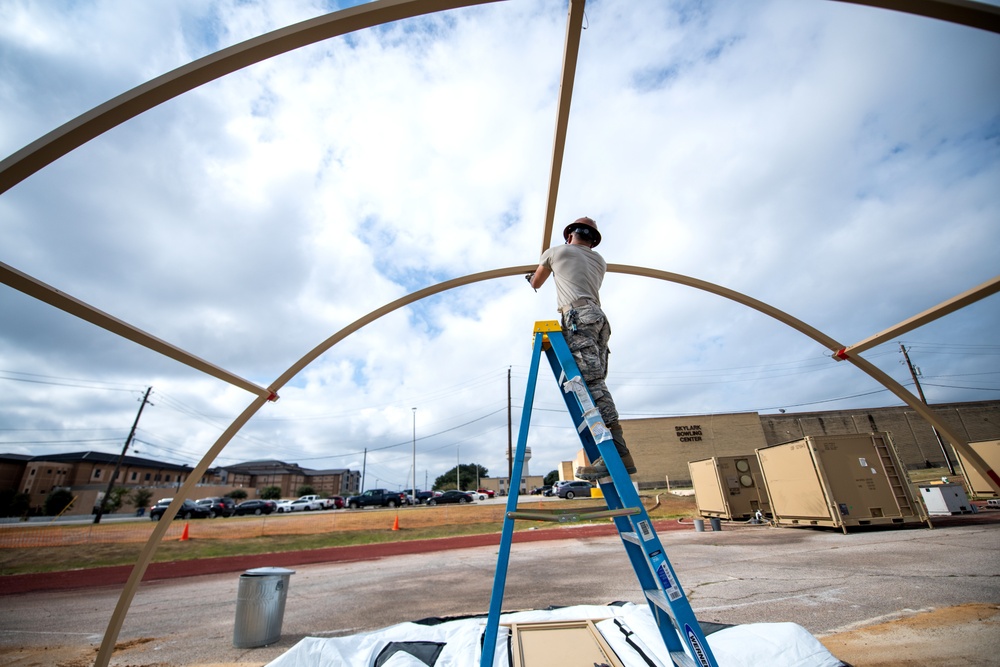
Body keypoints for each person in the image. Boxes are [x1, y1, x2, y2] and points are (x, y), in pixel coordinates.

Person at [527, 216, 636, 479]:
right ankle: (612, 452)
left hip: (578, 318)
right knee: (594, 381)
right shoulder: (600, 261)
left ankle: (618, 455)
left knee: (592, 384)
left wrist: (532, 274)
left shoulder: (556, 251)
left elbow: (536, 283)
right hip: (598, 318)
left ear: (569, 236)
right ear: (593, 241)